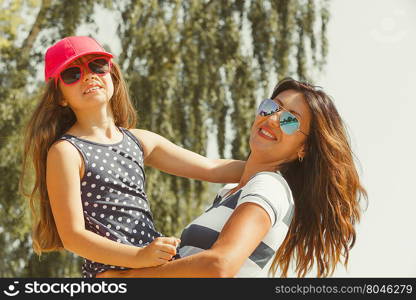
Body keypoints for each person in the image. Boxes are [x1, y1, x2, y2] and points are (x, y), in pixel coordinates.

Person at [20, 36, 245, 278]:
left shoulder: (139, 141)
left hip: (155, 264)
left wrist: (276, 164)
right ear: (60, 97)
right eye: (72, 74)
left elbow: (211, 168)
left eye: (97, 65)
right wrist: (139, 257)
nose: (88, 75)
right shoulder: (66, 151)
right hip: (110, 273)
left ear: (112, 77)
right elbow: (74, 237)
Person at [96, 78, 367, 278]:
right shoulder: (235, 189)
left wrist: (125, 280)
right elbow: (204, 164)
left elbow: (219, 265)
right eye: (271, 107)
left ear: (303, 148)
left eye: (290, 121)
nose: (273, 119)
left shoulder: (268, 186)